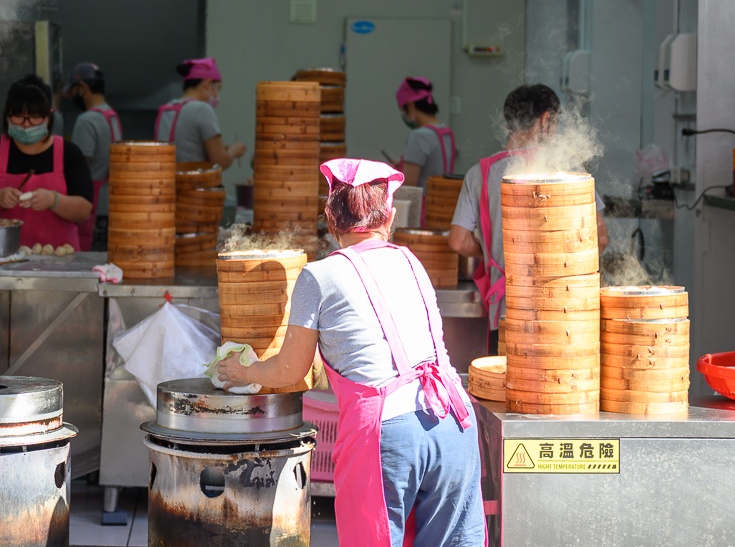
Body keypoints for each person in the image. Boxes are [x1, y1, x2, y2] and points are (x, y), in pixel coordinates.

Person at [218, 158, 485, 547]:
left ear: (330, 219)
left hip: (388, 432)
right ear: (389, 217)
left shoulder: (319, 275)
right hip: (453, 420)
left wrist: (243, 372)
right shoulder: (412, 261)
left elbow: (291, 370)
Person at [448, 83, 610, 342]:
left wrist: (493, 250)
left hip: (504, 312)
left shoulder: (480, 173)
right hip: (561, 314)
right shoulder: (568, 169)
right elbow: (599, 238)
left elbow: (457, 240)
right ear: (547, 119)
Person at [0, 74, 93, 250]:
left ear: (48, 117)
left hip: (59, 265)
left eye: (34, 117)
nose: (26, 125)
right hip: (0, 261)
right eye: (19, 117)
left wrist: (53, 200)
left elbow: (84, 210)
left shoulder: (70, 153)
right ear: (7, 117)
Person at [63, 62, 123, 251]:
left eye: (74, 90)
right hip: (111, 201)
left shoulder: (87, 120)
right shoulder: (112, 116)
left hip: (92, 203)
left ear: (83, 87)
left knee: (89, 259)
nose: (73, 96)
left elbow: (79, 165)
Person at [154, 57, 246, 168]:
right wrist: (233, 151)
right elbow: (220, 162)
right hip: (194, 183)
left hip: (168, 182)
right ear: (207, 84)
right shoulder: (202, 109)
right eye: (218, 88)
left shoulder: (167, 108)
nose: (217, 95)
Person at [396, 76, 457, 189]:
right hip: (443, 200)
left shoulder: (419, 136)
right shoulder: (447, 132)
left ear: (410, 106)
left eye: (403, 110)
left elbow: (409, 185)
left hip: (424, 204)